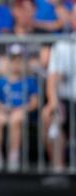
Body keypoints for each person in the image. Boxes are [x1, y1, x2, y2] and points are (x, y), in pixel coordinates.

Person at [0, 44, 39, 172]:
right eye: (14, 59)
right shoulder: (2, 81)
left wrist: (23, 108)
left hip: (22, 112)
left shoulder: (30, 80)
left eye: (20, 59)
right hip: (5, 111)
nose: (16, 63)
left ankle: (14, 156)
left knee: (16, 119)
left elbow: (34, 102)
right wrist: (3, 108)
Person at [43, 5, 76, 171]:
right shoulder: (63, 45)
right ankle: (59, 170)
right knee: (49, 115)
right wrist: (53, 102)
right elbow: (53, 78)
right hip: (68, 101)